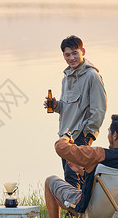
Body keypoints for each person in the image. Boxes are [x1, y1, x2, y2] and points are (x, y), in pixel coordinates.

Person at [43, 115, 118, 218]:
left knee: (50, 180)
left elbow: (61, 148)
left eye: (109, 132)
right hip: (117, 208)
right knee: (112, 193)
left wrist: (66, 137)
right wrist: (81, 171)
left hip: (89, 208)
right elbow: (104, 184)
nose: (108, 134)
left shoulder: (99, 154)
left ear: (115, 135)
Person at [44, 35, 107, 189]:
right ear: (63, 56)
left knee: (74, 176)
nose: (71, 58)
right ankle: (79, 211)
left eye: (74, 53)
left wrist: (88, 135)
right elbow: (67, 107)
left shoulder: (92, 76)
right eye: (67, 54)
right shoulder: (66, 78)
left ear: (82, 51)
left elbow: (99, 108)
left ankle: (75, 212)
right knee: (70, 176)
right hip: (65, 135)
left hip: (80, 135)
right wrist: (56, 105)